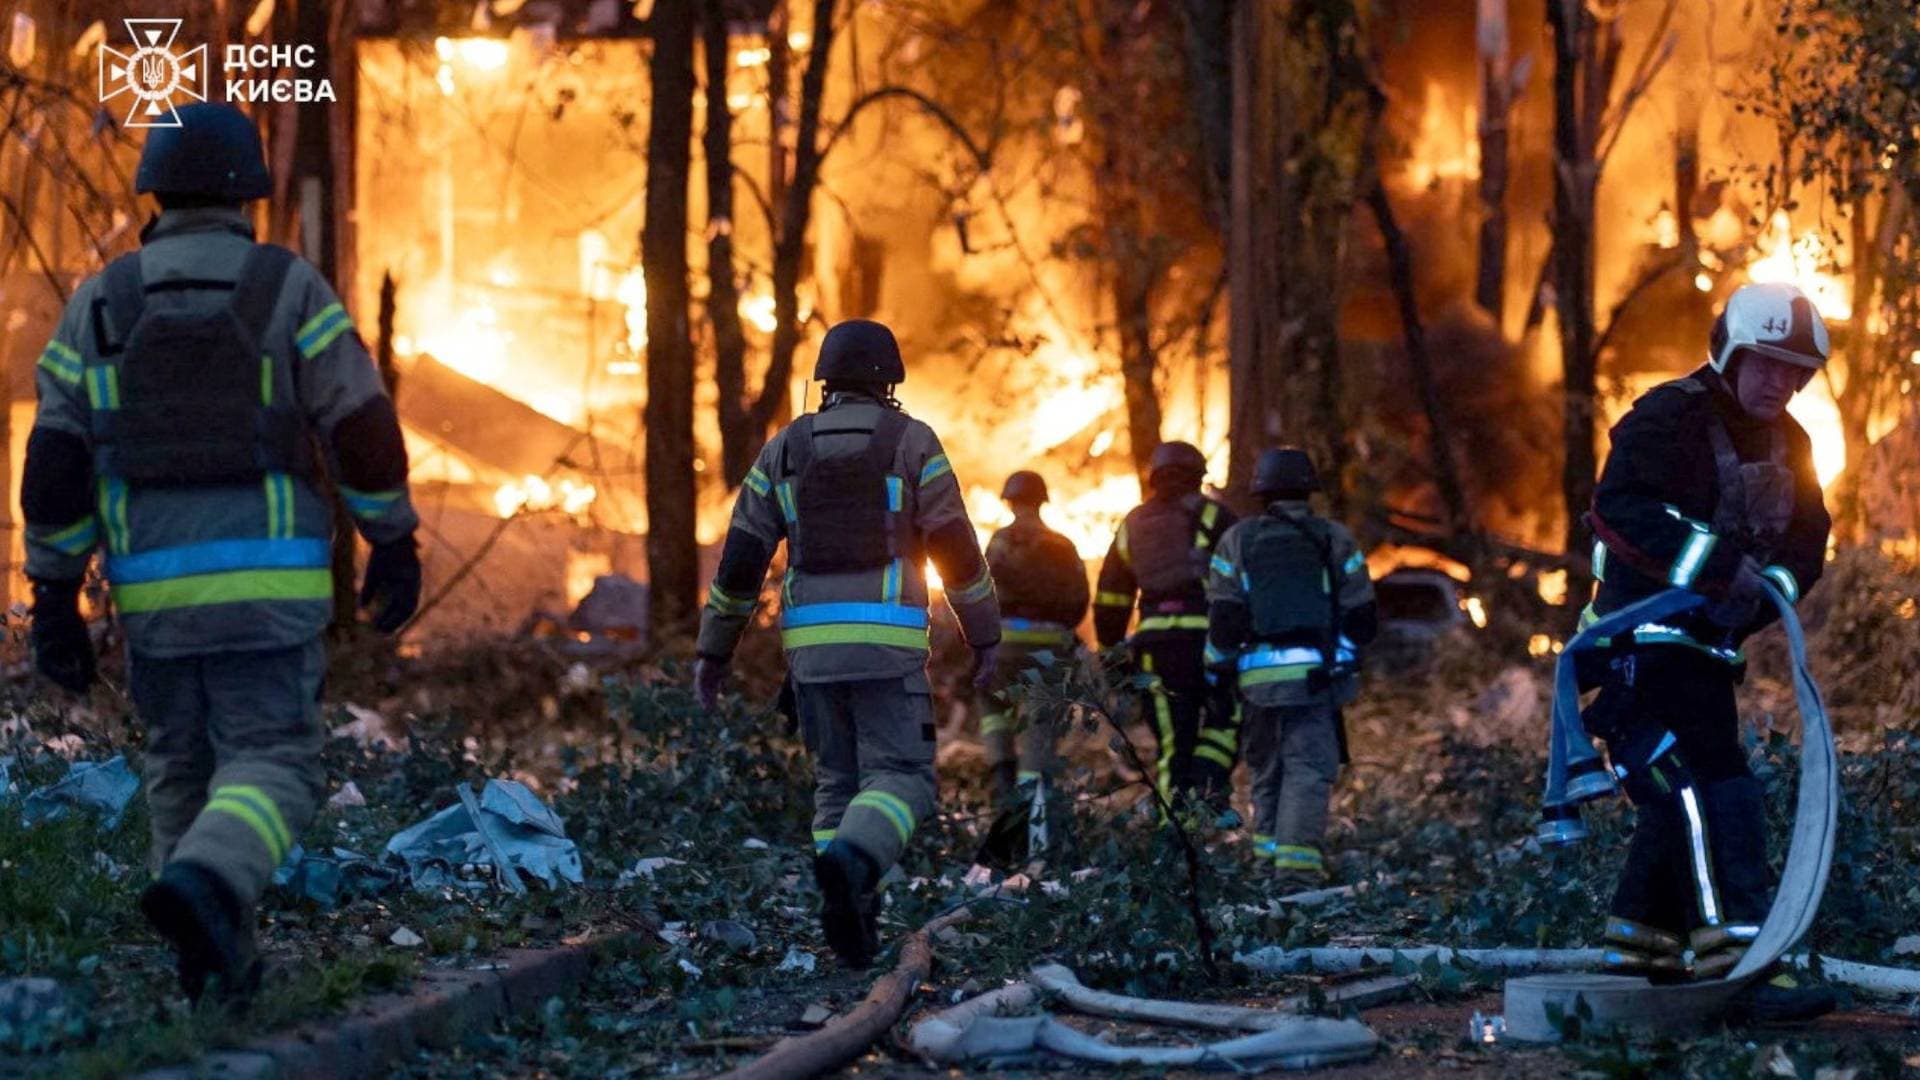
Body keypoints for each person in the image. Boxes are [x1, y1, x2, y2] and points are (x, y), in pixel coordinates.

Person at [23, 103, 419, 1003]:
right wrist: (391, 538)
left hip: (153, 598)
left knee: (181, 766)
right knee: (276, 763)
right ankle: (207, 879)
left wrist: (54, 596)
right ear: (248, 193)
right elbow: (360, 425)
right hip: (267, 596)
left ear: (154, 191)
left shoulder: (102, 303)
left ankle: (214, 967)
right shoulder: (286, 289)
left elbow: (55, 462)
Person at [692, 319, 1000, 968]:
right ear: (890, 382)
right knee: (904, 778)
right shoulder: (913, 442)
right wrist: (986, 637)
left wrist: (712, 653)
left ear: (825, 380)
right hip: (887, 647)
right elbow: (957, 550)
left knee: (836, 784)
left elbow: (740, 562)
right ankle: (854, 864)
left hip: (811, 653)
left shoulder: (783, 449)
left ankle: (851, 918)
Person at [1580, 282, 1834, 1020]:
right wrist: (1718, 567)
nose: (1779, 382)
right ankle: (1739, 967)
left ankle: (1640, 952)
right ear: (1729, 352)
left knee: (1678, 798)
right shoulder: (1669, 418)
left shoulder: (1792, 444)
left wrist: (1765, 592)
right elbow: (1620, 510)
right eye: (1766, 363)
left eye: (1795, 370)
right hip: (1639, 646)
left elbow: (1806, 543)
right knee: (1713, 793)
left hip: (1707, 654)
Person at [1204, 448, 1375, 894]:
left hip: (1256, 684)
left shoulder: (1236, 541)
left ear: (1260, 491)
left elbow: (1223, 620)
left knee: (1266, 773)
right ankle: (1296, 876)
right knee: (1307, 770)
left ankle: (1266, 869)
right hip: (1315, 681)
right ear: (1308, 489)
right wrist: (1342, 660)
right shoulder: (1334, 538)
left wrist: (1216, 675)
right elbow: (1362, 618)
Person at [1093, 441, 1238, 815]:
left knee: (1174, 742)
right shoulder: (1217, 516)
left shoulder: (1133, 524)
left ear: (1154, 477)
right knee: (1228, 718)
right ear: (1198, 476)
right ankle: (1204, 787)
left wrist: (1112, 656)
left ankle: (1173, 832)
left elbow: (1111, 597)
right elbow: (1243, 582)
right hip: (1211, 644)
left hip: (1157, 649)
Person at [972, 470, 1089, 869]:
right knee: (1038, 748)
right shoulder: (1063, 545)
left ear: (1009, 501)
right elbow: (1079, 601)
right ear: (1042, 501)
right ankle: (1037, 849)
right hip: (1048, 651)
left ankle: (1004, 782)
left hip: (1000, 650)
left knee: (994, 716)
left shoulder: (999, 542)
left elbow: (979, 591)